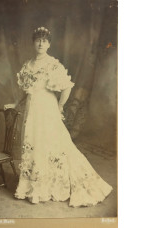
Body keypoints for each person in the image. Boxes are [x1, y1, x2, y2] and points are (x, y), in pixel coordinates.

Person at [14, 26, 113, 207]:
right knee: (34, 144)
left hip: (47, 109)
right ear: (33, 42)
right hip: (32, 111)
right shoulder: (28, 65)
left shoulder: (52, 64)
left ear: (49, 44)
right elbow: (28, 91)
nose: (41, 43)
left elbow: (67, 87)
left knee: (50, 145)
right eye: (38, 39)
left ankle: (49, 186)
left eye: (45, 40)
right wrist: (16, 104)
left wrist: (59, 106)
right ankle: (34, 187)